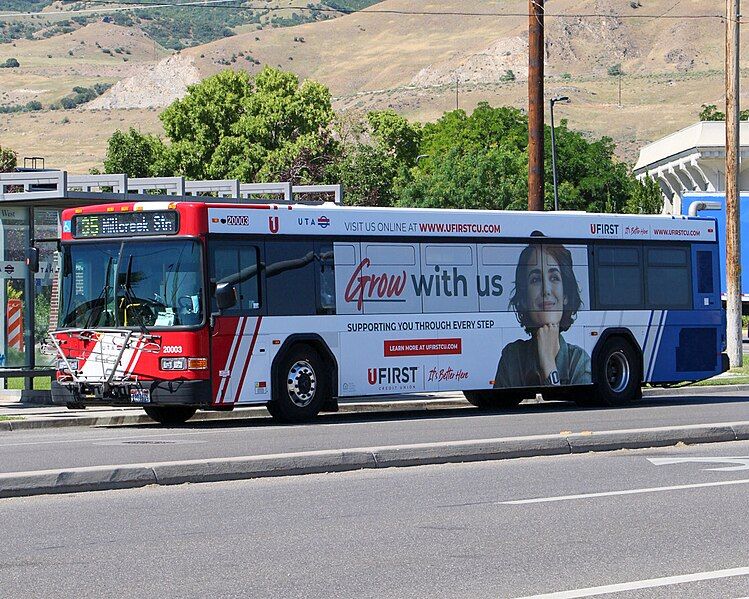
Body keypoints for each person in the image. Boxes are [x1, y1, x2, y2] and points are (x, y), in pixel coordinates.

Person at [494, 242, 591, 388]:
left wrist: (548, 363)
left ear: (565, 296)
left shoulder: (579, 360)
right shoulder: (512, 357)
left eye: (554, 278)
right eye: (535, 280)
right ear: (525, 298)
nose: (546, 290)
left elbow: (563, 410)